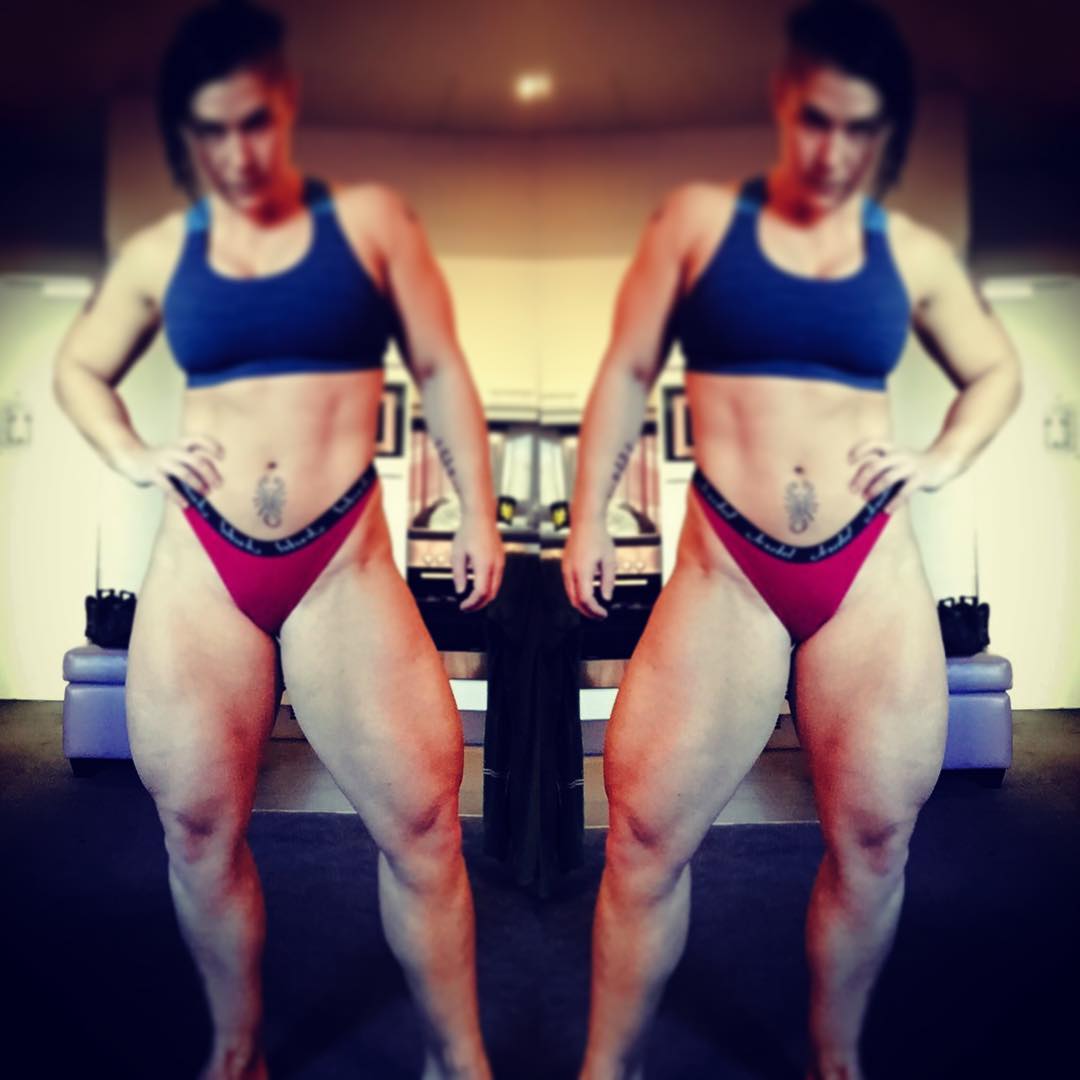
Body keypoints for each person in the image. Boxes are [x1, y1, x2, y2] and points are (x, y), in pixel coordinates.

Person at [561, 1, 1021, 1077]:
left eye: (860, 130)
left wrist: (942, 457)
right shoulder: (696, 224)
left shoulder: (910, 253)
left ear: (885, 130)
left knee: (875, 841)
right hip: (727, 566)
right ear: (784, 99)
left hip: (870, 572)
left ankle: (834, 1058)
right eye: (818, 120)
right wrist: (588, 514)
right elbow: (627, 372)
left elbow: (994, 369)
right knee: (644, 836)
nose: (834, 150)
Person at [53, 3, 503, 1077]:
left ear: (286, 103)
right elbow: (80, 367)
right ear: (187, 133)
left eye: (253, 122)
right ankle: (238, 1047)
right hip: (202, 564)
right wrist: (132, 453)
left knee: (423, 824)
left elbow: (440, 369)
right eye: (211, 132)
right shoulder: (164, 253)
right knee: (196, 828)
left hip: (342, 557)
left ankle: (459, 1057)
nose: (237, 152)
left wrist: (480, 509)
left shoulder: (372, 225)